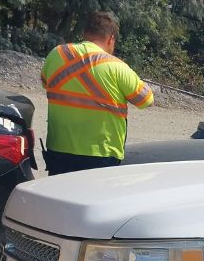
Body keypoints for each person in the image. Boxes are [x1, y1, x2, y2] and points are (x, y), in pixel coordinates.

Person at [40, 11, 154, 175]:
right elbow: (146, 100)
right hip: (100, 155)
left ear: (85, 34)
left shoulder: (56, 54)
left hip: (58, 150)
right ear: (111, 39)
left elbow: (46, 83)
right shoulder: (116, 66)